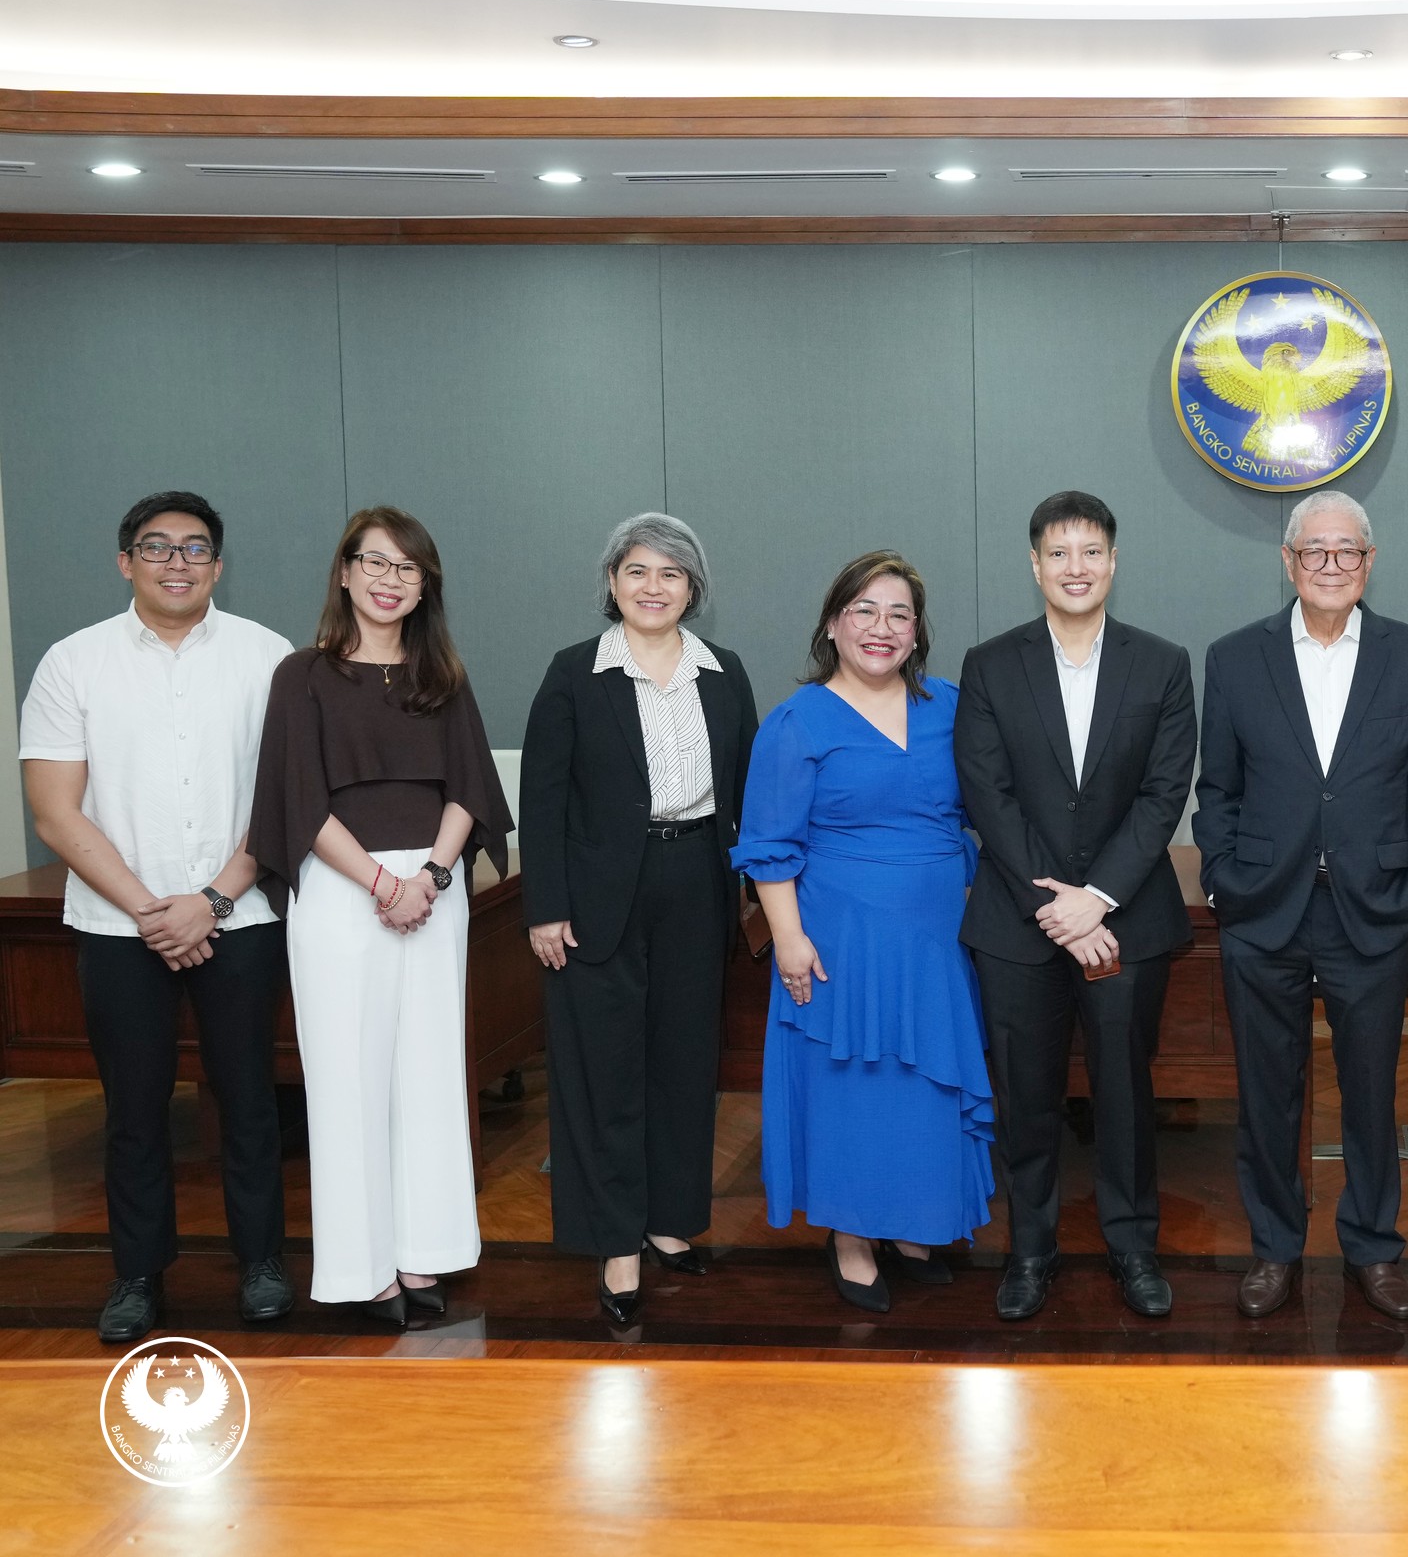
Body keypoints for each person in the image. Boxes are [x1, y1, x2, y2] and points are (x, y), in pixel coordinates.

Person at [21, 492, 297, 1343]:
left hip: (240, 917)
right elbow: (53, 810)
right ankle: (137, 1274)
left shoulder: (269, 657)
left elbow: (283, 798)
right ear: (125, 562)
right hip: (119, 929)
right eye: (157, 547)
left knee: (249, 1100)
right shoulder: (72, 662)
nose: (177, 562)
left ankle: (262, 1262)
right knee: (134, 1111)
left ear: (218, 565)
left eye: (195, 548)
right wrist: (152, 912)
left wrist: (209, 902)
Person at [1193, 489, 1408, 1322]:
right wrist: (1224, 880)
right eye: (1315, 551)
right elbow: (1218, 789)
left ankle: (1373, 1249)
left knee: (1372, 1094)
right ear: (1289, 561)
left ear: (1369, 563)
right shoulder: (1236, 658)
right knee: (1267, 1096)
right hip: (1263, 910)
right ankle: (1275, 1249)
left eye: (1347, 551)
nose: (1330, 565)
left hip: (1373, 912)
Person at [250, 507, 510, 1325]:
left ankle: (425, 1251)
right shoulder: (302, 676)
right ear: (344, 571)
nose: (390, 580)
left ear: (426, 585)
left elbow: (470, 788)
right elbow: (299, 802)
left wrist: (429, 875)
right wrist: (380, 883)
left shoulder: (444, 678)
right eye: (375, 562)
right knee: (348, 1081)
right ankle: (363, 1269)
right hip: (341, 891)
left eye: (408, 567)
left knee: (430, 1076)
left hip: (433, 888)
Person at [956, 491, 1197, 1322]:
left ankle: (1134, 1248)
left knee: (1124, 1094)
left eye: (1091, 552)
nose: (1076, 567)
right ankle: (1030, 1250)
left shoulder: (1162, 663)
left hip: (1125, 921)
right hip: (1016, 924)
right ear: (1035, 565)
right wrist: (1055, 906)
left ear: (1114, 562)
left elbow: (1165, 794)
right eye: (1058, 553)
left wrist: (1096, 899)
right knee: (1026, 1096)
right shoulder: (990, 664)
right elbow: (986, 794)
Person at [733, 551, 994, 1314]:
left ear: (917, 632)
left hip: (936, 945)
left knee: (923, 1089)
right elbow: (769, 845)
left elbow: (989, 807)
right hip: (839, 946)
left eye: (899, 615)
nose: (882, 629)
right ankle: (851, 1237)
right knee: (852, 1091)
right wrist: (787, 938)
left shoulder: (952, 708)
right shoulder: (797, 722)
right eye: (865, 612)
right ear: (832, 625)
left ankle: (913, 1225)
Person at [521, 513, 758, 1327]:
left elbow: (750, 788)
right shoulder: (574, 672)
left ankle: (668, 1221)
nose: (653, 587)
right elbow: (542, 799)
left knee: (685, 1061)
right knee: (605, 1069)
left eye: (671, 573)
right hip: (596, 897)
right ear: (612, 583)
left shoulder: (723, 672)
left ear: (693, 588)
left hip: (697, 881)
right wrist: (546, 907)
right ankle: (616, 1242)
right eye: (637, 571)